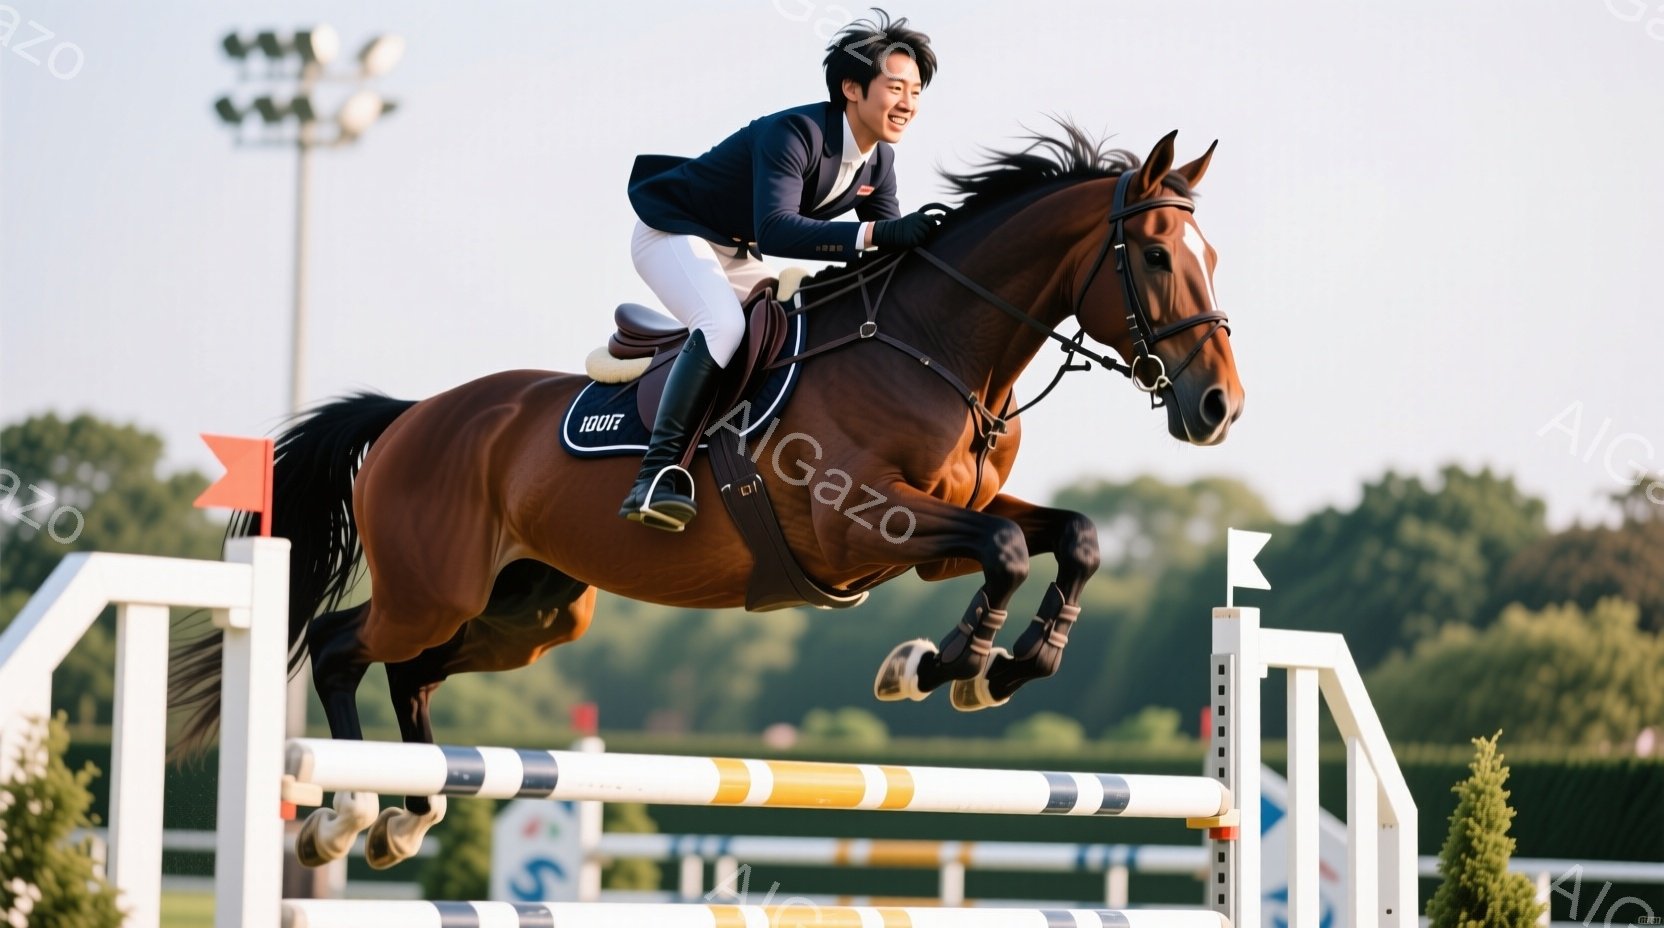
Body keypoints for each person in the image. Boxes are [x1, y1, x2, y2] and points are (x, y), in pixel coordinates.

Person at [620, 8, 941, 531]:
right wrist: (876, 234)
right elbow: (776, 230)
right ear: (852, 88)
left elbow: (889, 250)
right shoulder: (796, 133)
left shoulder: (878, 161)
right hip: (672, 231)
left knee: (791, 325)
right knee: (723, 325)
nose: (908, 103)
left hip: (733, 251)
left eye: (916, 91)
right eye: (895, 87)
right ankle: (655, 477)